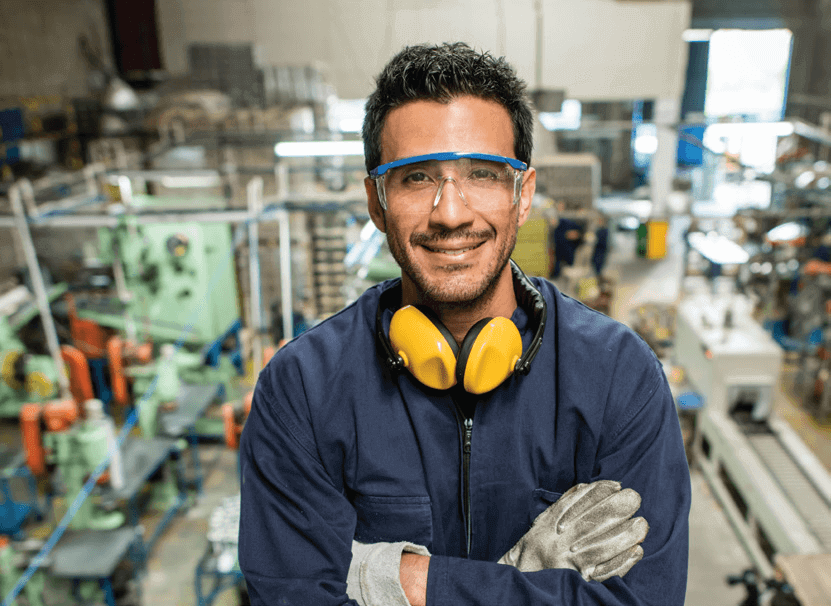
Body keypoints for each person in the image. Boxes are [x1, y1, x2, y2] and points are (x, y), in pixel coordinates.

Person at [238, 42, 690, 606]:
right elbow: (292, 598)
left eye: (482, 174)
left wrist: (402, 581)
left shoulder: (617, 376)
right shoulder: (303, 387)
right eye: (416, 178)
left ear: (522, 195)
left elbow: (645, 601)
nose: (451, 212)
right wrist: (525, 579)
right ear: (377, 202)